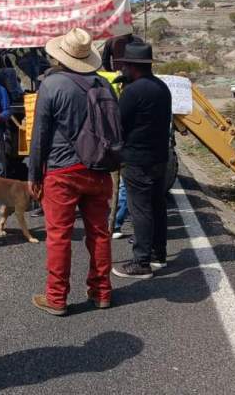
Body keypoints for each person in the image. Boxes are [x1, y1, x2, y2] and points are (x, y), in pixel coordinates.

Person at [28, 28, 114, 315]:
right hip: (99, 168)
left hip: (61, 171)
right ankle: (102, 292)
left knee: (59, 236)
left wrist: (34, 175)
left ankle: (57, 298)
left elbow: (39, 135)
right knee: (100, 233)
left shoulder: (52, 86)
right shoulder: (103, 84)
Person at [110, 42, 172, 279]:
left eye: (125, 65)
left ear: (132, 66)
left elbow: (118, 124)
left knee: (141, 210)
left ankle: (141, 261)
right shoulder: (161, 87)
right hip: (159, 157)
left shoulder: (133, 92)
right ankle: (158, 255)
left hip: (138, 159)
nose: (123, 69)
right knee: (157, 206)